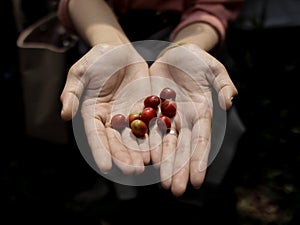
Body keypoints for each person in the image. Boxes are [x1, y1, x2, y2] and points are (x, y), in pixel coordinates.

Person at [57, 0, 244, 200]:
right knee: (117, 159)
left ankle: (196, 201)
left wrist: (186, 48)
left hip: (184, 48)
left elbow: (215, 6)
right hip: (106, 37)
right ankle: (125, 197)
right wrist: (112, 47)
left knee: (196, 159)